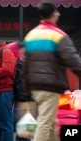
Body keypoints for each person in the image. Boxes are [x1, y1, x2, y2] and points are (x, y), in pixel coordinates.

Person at [23, 1, 81, 141]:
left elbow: (25, 65)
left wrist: (24, 90)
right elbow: (72, 60)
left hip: (35, 86)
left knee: (52, 122)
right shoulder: (59, 35)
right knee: (45, 122)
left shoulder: (31, 35)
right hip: (51, 85)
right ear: (54, 14)